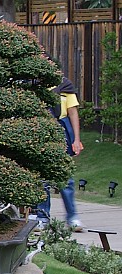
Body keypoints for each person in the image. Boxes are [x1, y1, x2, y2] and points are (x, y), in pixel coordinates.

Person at [37, 75, 84, 232]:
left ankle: (72, 217)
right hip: (41, 130)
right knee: (42, 177)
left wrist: (76, 139)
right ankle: (42, 216)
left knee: (66, 177)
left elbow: (73, 113)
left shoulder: (64, 86)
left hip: (62, 129)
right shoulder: (33, 85)